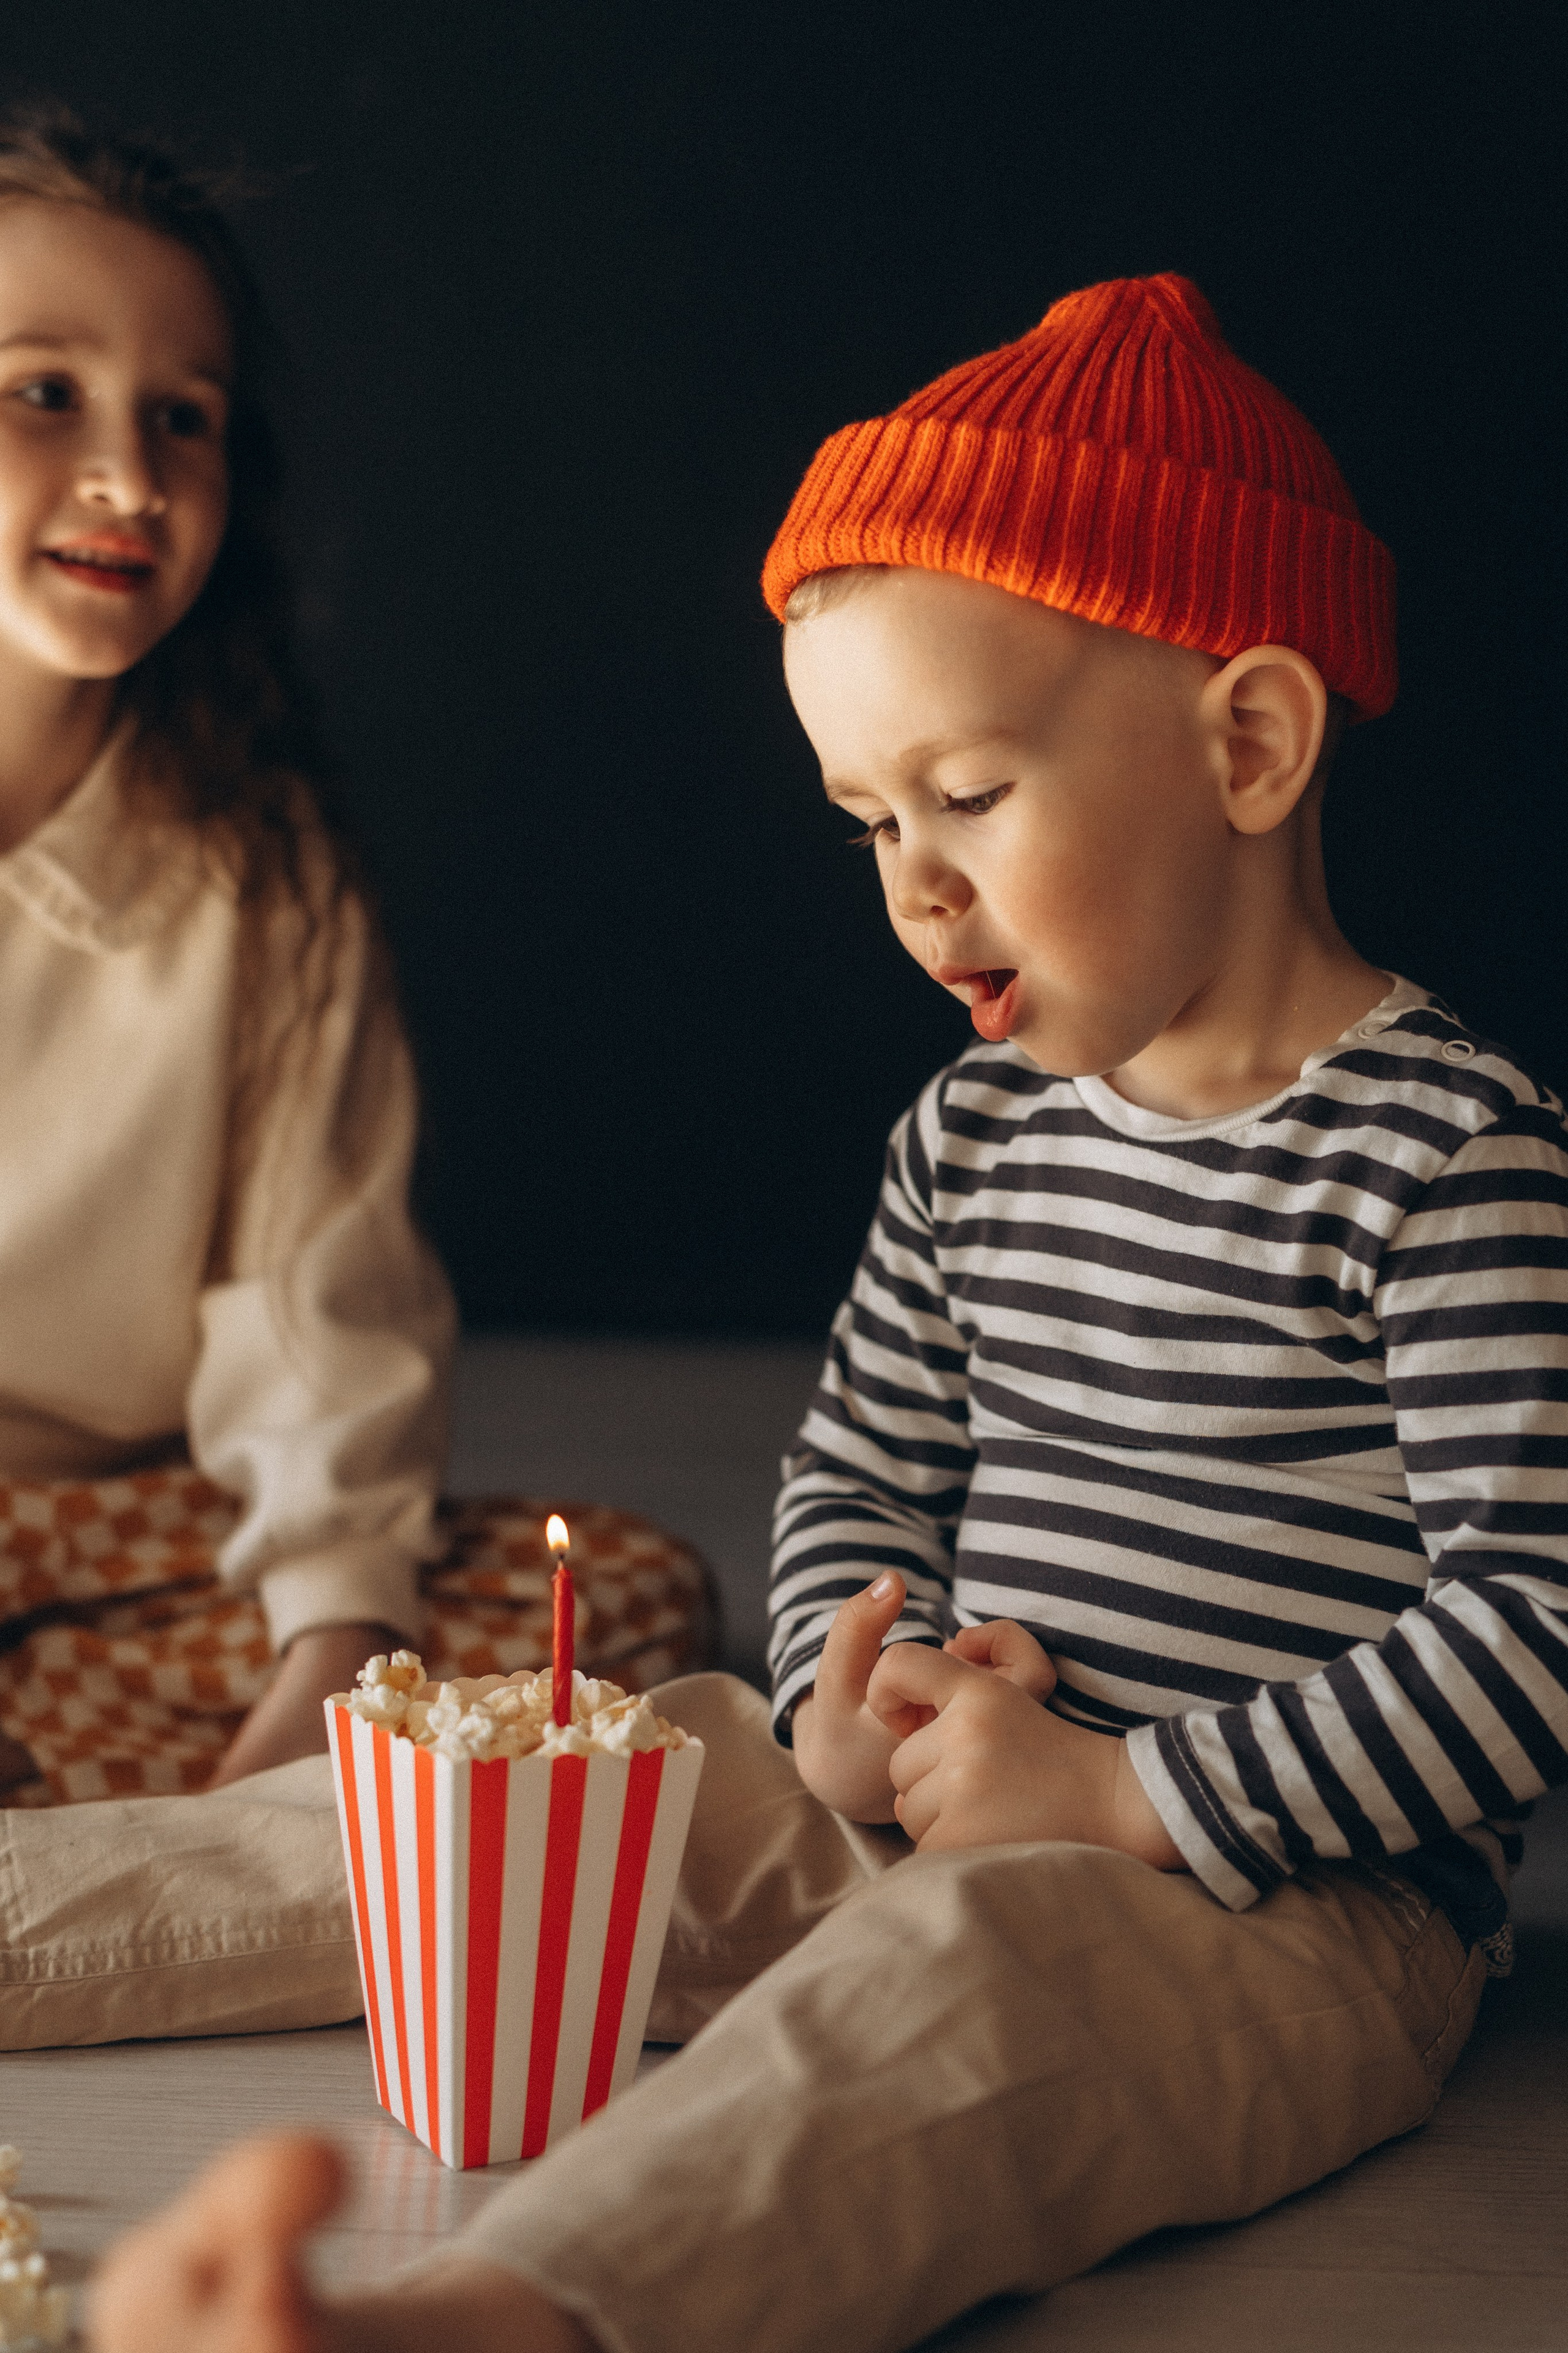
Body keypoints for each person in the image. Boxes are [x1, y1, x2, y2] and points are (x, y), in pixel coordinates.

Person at [84, 272, 1568, 2351]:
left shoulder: (1443, 1150)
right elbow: (865, 1456)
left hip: (1262, 1896)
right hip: (951, 1777)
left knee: (947, 2022)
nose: (912, 886)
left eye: (966, 795)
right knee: (538, 1777)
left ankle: (488, 2318)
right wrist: (830, 1697)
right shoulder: (973, 1133)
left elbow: (1538, 1625)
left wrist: (1129, 1799)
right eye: (870, 823)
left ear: (1247, 743)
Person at [0, 105, 709, 1815]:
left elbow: (318, 1308)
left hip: (121, 1533)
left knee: (620, 1600)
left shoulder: (266, 880)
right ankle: (183, 1849)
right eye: (42, 392)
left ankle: (147, 1823)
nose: (129, 477)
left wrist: (332, 1633)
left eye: (188, 419)